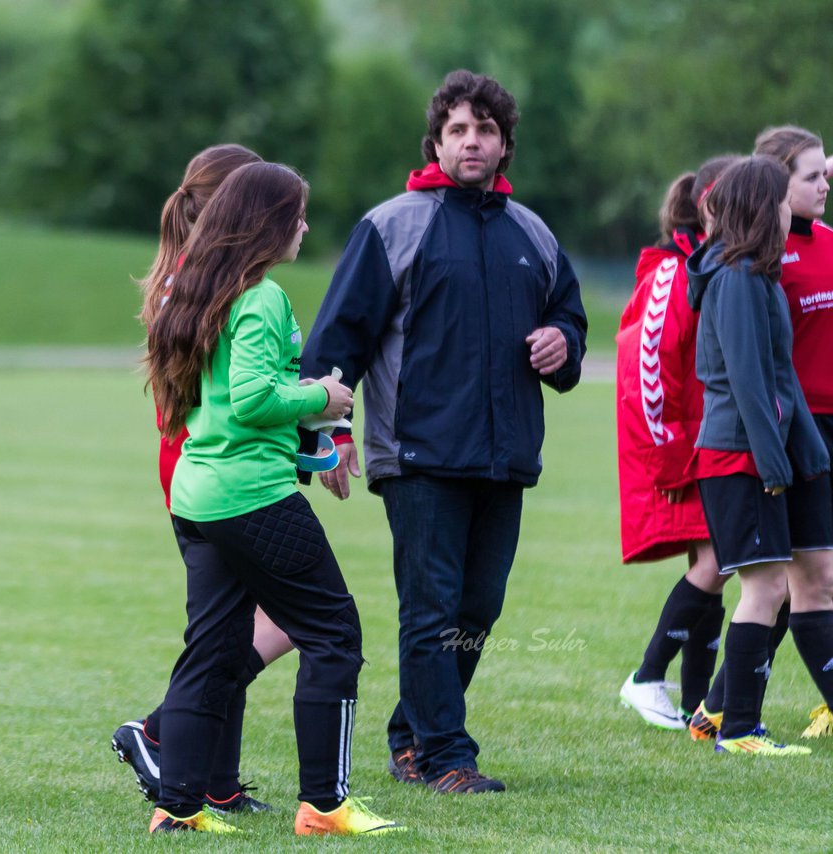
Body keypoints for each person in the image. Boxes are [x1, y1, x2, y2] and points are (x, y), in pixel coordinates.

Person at [302, 69, 587, 793]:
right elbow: (339, 340)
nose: (472, 141)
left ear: (504, 145)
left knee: (476, 610)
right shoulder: (393, 223)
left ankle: (411, 735)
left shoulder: (535, 234)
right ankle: (446, 757)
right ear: (437, 140)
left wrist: (563, 342)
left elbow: (571, 322)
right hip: (418, 454)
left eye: (485, 130)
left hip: (506, 454)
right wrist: (329, 434)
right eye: (458, 129)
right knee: (430, 608)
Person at [145, 161, 400, 836]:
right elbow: (257, 398)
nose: (306, 226)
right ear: (268, 225)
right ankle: (325, 805)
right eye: (299, 214)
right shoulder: (260, 297)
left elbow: (227, 400)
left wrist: (302, 434)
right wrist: (325, 398)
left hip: (197, 496)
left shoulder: (200, 288)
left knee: (214, 649)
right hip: (251, 498)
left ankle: (178, 811)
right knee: (334, 635)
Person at [111, 143, 292, 814]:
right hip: (213, 464)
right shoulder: (211, 282)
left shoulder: (183, 273)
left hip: (197, 459)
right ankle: (160, 730)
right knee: (278, 619)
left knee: (232, 621)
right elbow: (241, 393)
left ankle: (216, 778)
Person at [684, 154, 833, 755]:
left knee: (772, 586)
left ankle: (734, 722)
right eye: (778, 199)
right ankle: (738, 728)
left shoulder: (754, 274)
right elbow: (749, 382)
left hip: (755, 456)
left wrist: (807, 454)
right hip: (736, 458)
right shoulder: (739, 277)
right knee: (766, 588)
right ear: (759, 207)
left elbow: (780, 377)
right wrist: (775, 466)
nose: (785, 209)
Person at [615, 157, 739, 730]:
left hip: (705, 443)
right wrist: (671, 453)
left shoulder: (710, 266)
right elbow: (647, 368)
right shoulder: (672, 271)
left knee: (710, 565)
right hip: (687, 447)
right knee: (718, 561)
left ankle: (696, 707)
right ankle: (646, 677)